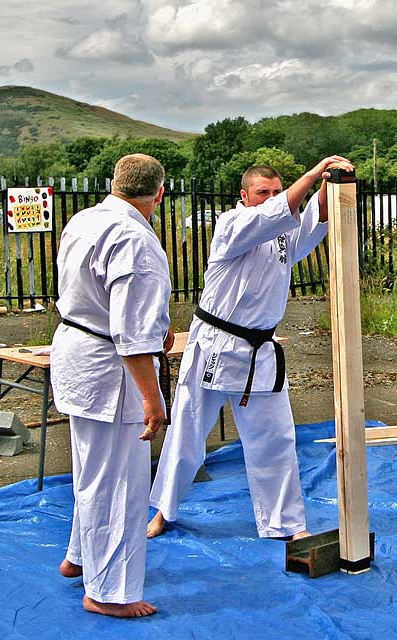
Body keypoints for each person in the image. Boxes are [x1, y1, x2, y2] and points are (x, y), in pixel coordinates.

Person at [147, 155, 354, 541]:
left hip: (260, 353)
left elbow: (315, 217)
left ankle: (287, 525)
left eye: (277, 191)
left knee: (276, 439)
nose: (273, 198)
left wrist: (330, 179)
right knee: (187, 437)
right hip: (214, 347)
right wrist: (309, 174)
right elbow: (277, 213)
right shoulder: (232, 224)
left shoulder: (282, 234)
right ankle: (164, 511)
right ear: (244, 195)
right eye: (264, 192)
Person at [51, 154, 174, 618]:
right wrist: (152, 398)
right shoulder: (135, 240)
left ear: (114, 183)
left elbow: (95, 292)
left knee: (91, 468)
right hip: (111, 368)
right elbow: (131, 333)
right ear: (158, 194)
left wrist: (154, 324)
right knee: (120, 481)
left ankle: (79, 556)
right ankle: (108, 592)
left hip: (78, 349)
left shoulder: (85, 219)